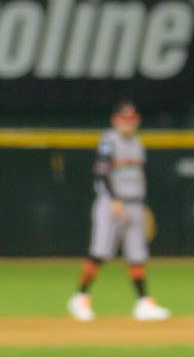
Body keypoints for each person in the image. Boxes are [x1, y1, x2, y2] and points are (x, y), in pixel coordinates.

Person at [67, 101, 171, 322]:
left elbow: (138, 177)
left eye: (132, 120)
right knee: (100, 252)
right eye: (124, 120)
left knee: (137, 255)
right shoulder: (108, 142)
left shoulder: (138, 144)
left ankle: (143, 303)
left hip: (135, 203)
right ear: (115, 121)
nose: (128, 124)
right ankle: (80, 298)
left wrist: (142, 205)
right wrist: (114, 200)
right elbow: (102, 174)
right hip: (111, 203)